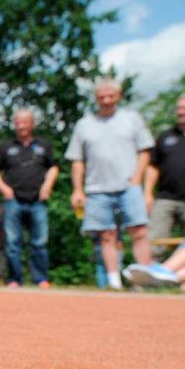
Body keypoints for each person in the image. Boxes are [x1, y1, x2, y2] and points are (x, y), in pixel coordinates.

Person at [65, 78, 154, 290]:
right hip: (97, 189)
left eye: (110, 96)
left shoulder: (131, 119)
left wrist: (136, 180)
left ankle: (144, 280)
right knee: (106, 235)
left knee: (138, 232)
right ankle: (113, 281)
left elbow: (145, 151)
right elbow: (77, 160)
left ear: (118, 96)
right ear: (95, 98)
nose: (106, 100)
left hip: (128, 186)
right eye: (101, 96)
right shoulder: (84, 125)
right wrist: (77, 189)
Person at [0, 109, 58, 288]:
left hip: (37, 200)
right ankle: (14, 279)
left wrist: (47, 186)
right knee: (12, 242)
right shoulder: (5, 146)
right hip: (13, 200)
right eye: (17, 122)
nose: (21, 125)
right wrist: (4, 189)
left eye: (24, 121)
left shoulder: (43, 145)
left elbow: (53, 168)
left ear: (32, 123)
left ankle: (41, 278)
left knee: (39, 241)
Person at [144, 93, 185, 259]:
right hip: (165, 198)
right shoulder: (165, 136)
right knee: (154, 241)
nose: (180, 112)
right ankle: (148, 278)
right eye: (178, 108)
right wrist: (147, 193)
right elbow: (152, 167)